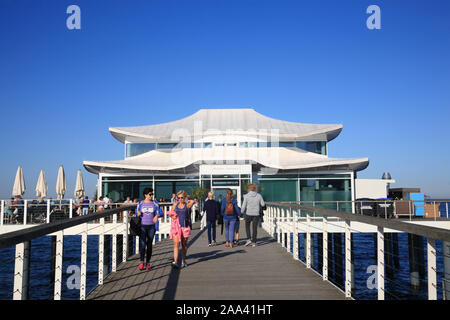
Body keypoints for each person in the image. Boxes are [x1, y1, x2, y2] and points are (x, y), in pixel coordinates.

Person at [136, 188, 163, 270]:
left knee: (149, 245)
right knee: (143, 244)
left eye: (152, 194)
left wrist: (157, 216)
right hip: (142, 226)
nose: (151, 196)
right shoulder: (140, 203)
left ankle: (148, 262)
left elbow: (161, 213)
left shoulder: (155, 203)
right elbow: (136, 213)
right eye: (150, 194)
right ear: (145, 195)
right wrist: (138, 213)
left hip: (152, 226)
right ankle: (141, 262)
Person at [170, 190, 194, 268]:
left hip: (185, 227)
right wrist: (172, 216)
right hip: (177, 227)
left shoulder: (187, 205)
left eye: (182, 198)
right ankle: (175, 262)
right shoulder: (175, 205)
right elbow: (171, 213)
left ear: (185, 198)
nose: (180, 199)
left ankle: (183, 261)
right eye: (178, 198)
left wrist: (187, 199)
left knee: (184, 245)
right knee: (176, 244)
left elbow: (193, 201)